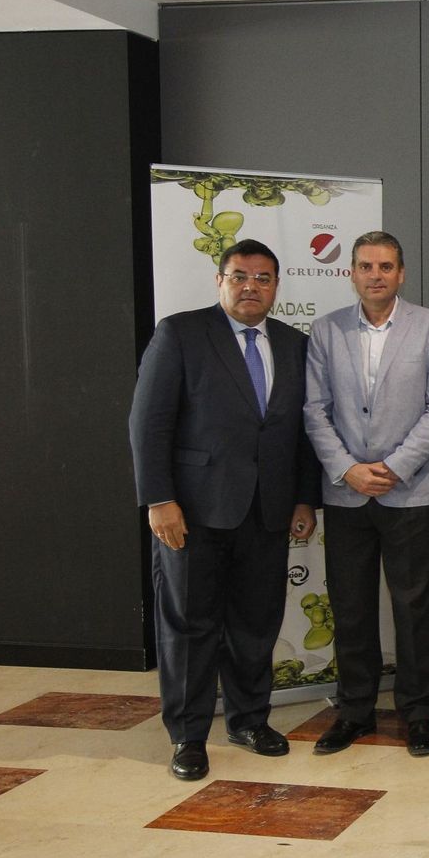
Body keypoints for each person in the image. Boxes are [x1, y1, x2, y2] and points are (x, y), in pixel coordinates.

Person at [129, 238, 320, 780]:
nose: (250, 286)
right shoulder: (181, 334)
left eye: (263, 278)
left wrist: (305, 496)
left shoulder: (293, 343)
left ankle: (249, 720)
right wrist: (159, 499)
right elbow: (148, 423)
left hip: (269, 512)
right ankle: (188, 737)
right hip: (191, 514)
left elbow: (302, 431)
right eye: (239, 275)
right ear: (220, 281)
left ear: (276, 287)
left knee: (255, 625)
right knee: (189, 627)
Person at [303, 231, 429, 758]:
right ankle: (354, 711)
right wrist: (349, 470)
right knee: (350, 608)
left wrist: (391, 467)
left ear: (401, 274)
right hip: (346, 494)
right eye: (366, 266)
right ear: (351, 272)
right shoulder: (325, 331)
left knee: (415, 609)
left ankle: (418, 714)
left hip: (408, 492)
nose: (376, 275)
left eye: (386, 266)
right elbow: (314, 410)